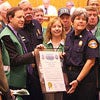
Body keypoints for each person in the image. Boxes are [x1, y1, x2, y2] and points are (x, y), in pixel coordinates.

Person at [0, 6, 37, 100]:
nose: (22, 20)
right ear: (10, 18)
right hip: (13, 84)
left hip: (22, 81)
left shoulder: (15, 32)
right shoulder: (6, 35)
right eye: (19, 17)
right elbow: (14, 60)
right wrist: (33, 54)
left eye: (23, 17)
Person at [63, 7, 99, 100]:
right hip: (69, 78)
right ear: (72, 21)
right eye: (78, 19)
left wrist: (78, 80)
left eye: (84, 19)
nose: (81, 21)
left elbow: (91, 62)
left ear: (86, 23)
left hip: (84, 81)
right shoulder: (68, 37)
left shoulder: (90, 39)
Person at [18, 1, 44, 100]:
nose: (29, 12)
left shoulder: (37, 24)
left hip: (38, 71)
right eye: (25, 10)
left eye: (30, 9)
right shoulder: (17, 28)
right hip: (24, 72)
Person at [43, 17, 66, 100]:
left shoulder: (67, 44)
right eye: (54, 26)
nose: (57, 29)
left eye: (59, 26)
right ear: (50, 29)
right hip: (48, 80)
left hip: (63, 79)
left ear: (63, 28)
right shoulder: (44, 44)